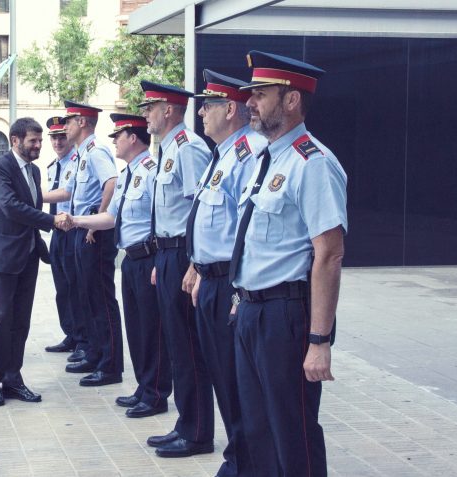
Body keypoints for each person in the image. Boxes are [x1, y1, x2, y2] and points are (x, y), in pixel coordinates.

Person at [230, 50, 347, 476]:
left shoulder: (312, 163)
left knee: (291, 429)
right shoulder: (269, 158)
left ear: (291, 100)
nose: (250, 103)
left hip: (286, 316)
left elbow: (329, 253)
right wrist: (240, 294)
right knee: (257, 430)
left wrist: (320, 340)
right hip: (252, 310)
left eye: (260, 94)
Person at [185, 69, 266, 476]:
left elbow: (245, 233)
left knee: (237, 383)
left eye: (208, 106)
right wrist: (197, 268)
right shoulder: (222, 154)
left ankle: (245, 463)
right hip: (210, 280)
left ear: (229, 109)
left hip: (229, 286)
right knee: (221, 375)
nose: (201, 113)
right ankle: (238, 456)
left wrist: (235, 289)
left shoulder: (249, 152)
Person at [67, 114, 171, 418]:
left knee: (153, 330)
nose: (114, 140)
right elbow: (110, 218)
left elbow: (162, 218)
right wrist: (75, 221)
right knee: (137, 329)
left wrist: (161, 259)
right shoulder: (127, 174)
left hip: (150, 257)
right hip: (130, 260)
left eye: (119, 135)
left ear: (133, 138)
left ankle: (156, 394)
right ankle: (143, 386)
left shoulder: (152, 171)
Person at [139, 81, 215, 458]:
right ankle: (187, 422)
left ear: (169, 110)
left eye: (150, 107)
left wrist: (192, 264)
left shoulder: (189, 149)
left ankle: (198, 432)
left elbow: (198, 211)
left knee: (188, 345)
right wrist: (160, 260)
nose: (145, 114)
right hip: (167, 254)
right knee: (175, 343)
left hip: (183, 255)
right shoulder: (168, 148)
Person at [0, 117, 66, 406]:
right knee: (1, 317)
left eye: (40, 141)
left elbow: (29, 208)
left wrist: (40, 246)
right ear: (15, 140)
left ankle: (12, 378)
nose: (39, 145)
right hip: (2, 256)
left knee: (20, 322)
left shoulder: (35, 171)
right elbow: (12, 208)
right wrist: (52, 221)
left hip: (27, 255)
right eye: (33, 141)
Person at [59, 100, 122, 387]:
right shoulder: (83, 155)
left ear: (82, 122)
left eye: (69, 120)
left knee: (100, 299)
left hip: (92, 233)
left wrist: (98, 215)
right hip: (81, 230)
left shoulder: (96, 152)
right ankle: (95, 353)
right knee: (86, 296)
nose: (66, 126)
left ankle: (109, 365)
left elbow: (111, 182)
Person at [41, 116, 80, 354]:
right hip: (57, 231)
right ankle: (71, 334)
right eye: (53, 137)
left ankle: (82, 337)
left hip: (72, 229)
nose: (57, 142)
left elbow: (65, 194)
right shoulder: (53, 166)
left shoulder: (76, 161)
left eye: (61, 137)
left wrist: (32, 196)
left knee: (76, 286)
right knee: (62, 287)